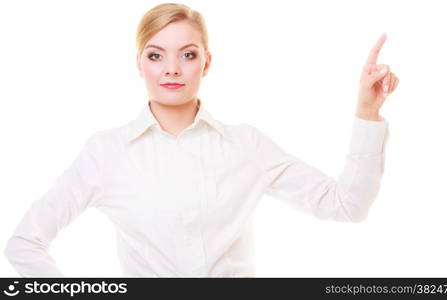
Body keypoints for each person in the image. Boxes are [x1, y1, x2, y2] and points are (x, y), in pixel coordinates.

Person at [4, 3, 399, 277]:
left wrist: (367, 110)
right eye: (156, 56)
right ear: (138, 63)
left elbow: (347, 205)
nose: (172, 69)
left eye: (188, 55)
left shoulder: (247, 146)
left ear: (207, 62)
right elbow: (24, 243)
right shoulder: (107, 153)